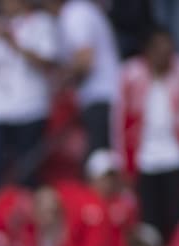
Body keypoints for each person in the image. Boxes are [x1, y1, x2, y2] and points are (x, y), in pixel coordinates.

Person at [119, 28, 179, 243]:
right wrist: (125, 163)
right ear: (148, 52)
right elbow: (121, 121)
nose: (164, 56)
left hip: (177, 157)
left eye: (169, 51)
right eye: (159, 51)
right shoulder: (131, 76)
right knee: (149, 224)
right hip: (145, 159)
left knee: (178, 219)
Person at [0, 0, 59, 189]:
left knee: (27, 175)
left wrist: (12, 42)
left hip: (29, 108)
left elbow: (47, 63)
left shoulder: (42, 22)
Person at [46, 0, 120, 159]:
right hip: (101, 96)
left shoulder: (75, 13)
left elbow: (85, 60)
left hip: (101, 97)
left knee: (100, 161)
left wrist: (59, 81)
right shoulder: (78, 11)